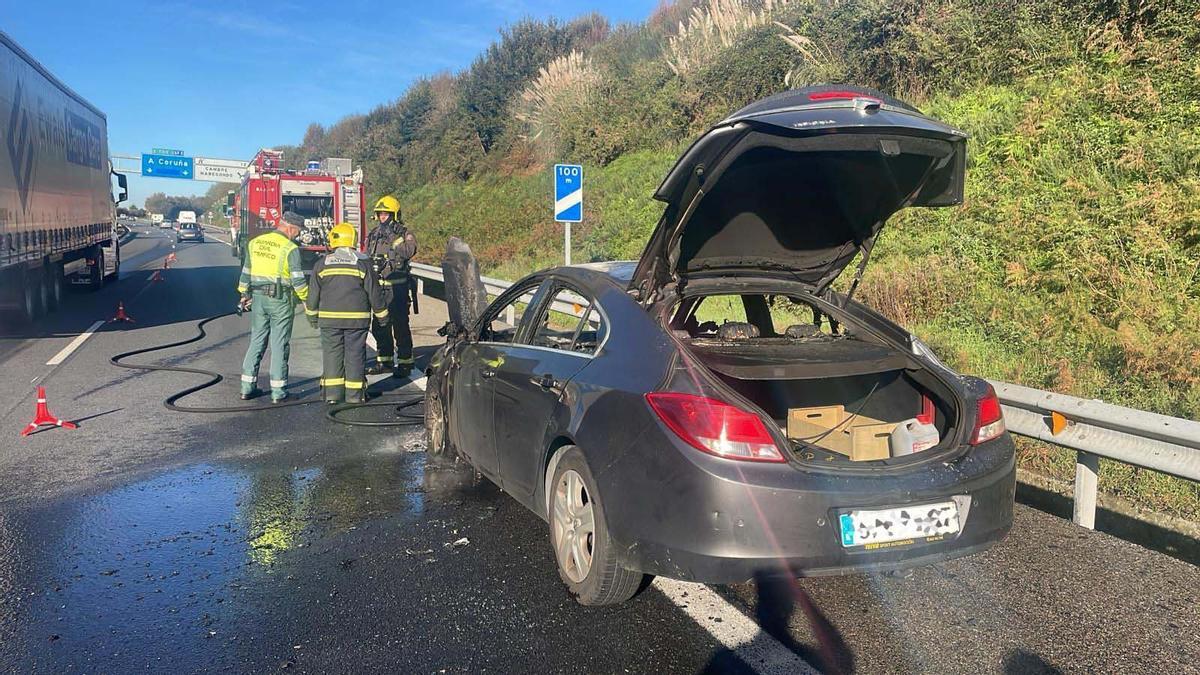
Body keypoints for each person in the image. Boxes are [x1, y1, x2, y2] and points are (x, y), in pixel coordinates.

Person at [305, 223, 389, 404]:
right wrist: (383, 317)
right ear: (353, 240)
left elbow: (313, 294)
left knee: (332, 355)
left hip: (329, 322)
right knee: (355, 355)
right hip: (356, 322)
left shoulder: (321, 264)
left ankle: (333, 395)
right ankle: (354, 396)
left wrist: (312, 316)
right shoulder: (363, 264)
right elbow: (374, 293)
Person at [236, 211, 308, 403]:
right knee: (279, 344)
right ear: (291, 227)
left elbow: (246, 271)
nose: (298, 235)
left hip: (258, 299)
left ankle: (246, 388)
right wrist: (308, 300)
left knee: (257, 341)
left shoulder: (255, 243)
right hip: (280, 300)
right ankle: (279, 392)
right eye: (298, 231)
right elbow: (298, 281)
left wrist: (244, 294)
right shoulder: (290, 248)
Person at [364, 195, 418, 377]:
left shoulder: (404, 234)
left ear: (394, 215)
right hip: (378, 290)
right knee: (379, 326)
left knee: (400, 326)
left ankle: (405, 363)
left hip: (398, 290)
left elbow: (409, 251)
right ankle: (384, 361)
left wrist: (393, 237)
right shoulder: (373, 235)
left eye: (386, 214)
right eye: (380, 214)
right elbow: (366, 257)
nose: (382, 218)